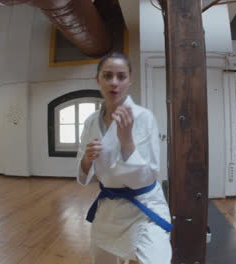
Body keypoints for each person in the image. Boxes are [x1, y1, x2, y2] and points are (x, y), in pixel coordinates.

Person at [76, 52, 172, 264]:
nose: (114, 83)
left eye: (121, 76)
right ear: (97, 79)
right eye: (107, 76)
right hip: (109, 208)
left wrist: (126, 140)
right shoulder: (91, 122)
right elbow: (83, 173)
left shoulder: (144, 117)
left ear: (130, 80)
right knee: (102, 259)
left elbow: (147, 177)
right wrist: (88, 159)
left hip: (143, 205)